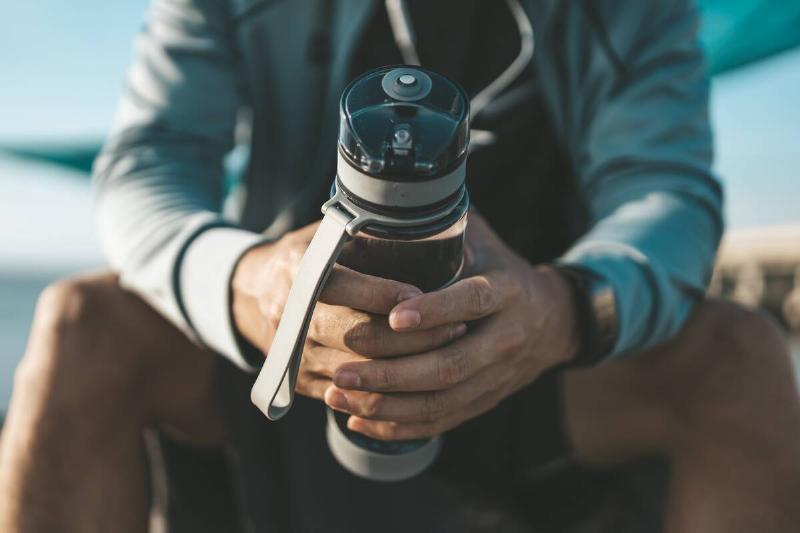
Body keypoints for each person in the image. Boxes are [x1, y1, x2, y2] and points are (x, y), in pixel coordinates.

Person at [1, 1, 799, 532]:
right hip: (279, 354)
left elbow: (667, 191)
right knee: (84, 326)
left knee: (743, 357)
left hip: (539, 356)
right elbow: (149, 160)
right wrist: (247, 286)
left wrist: (565, 308)